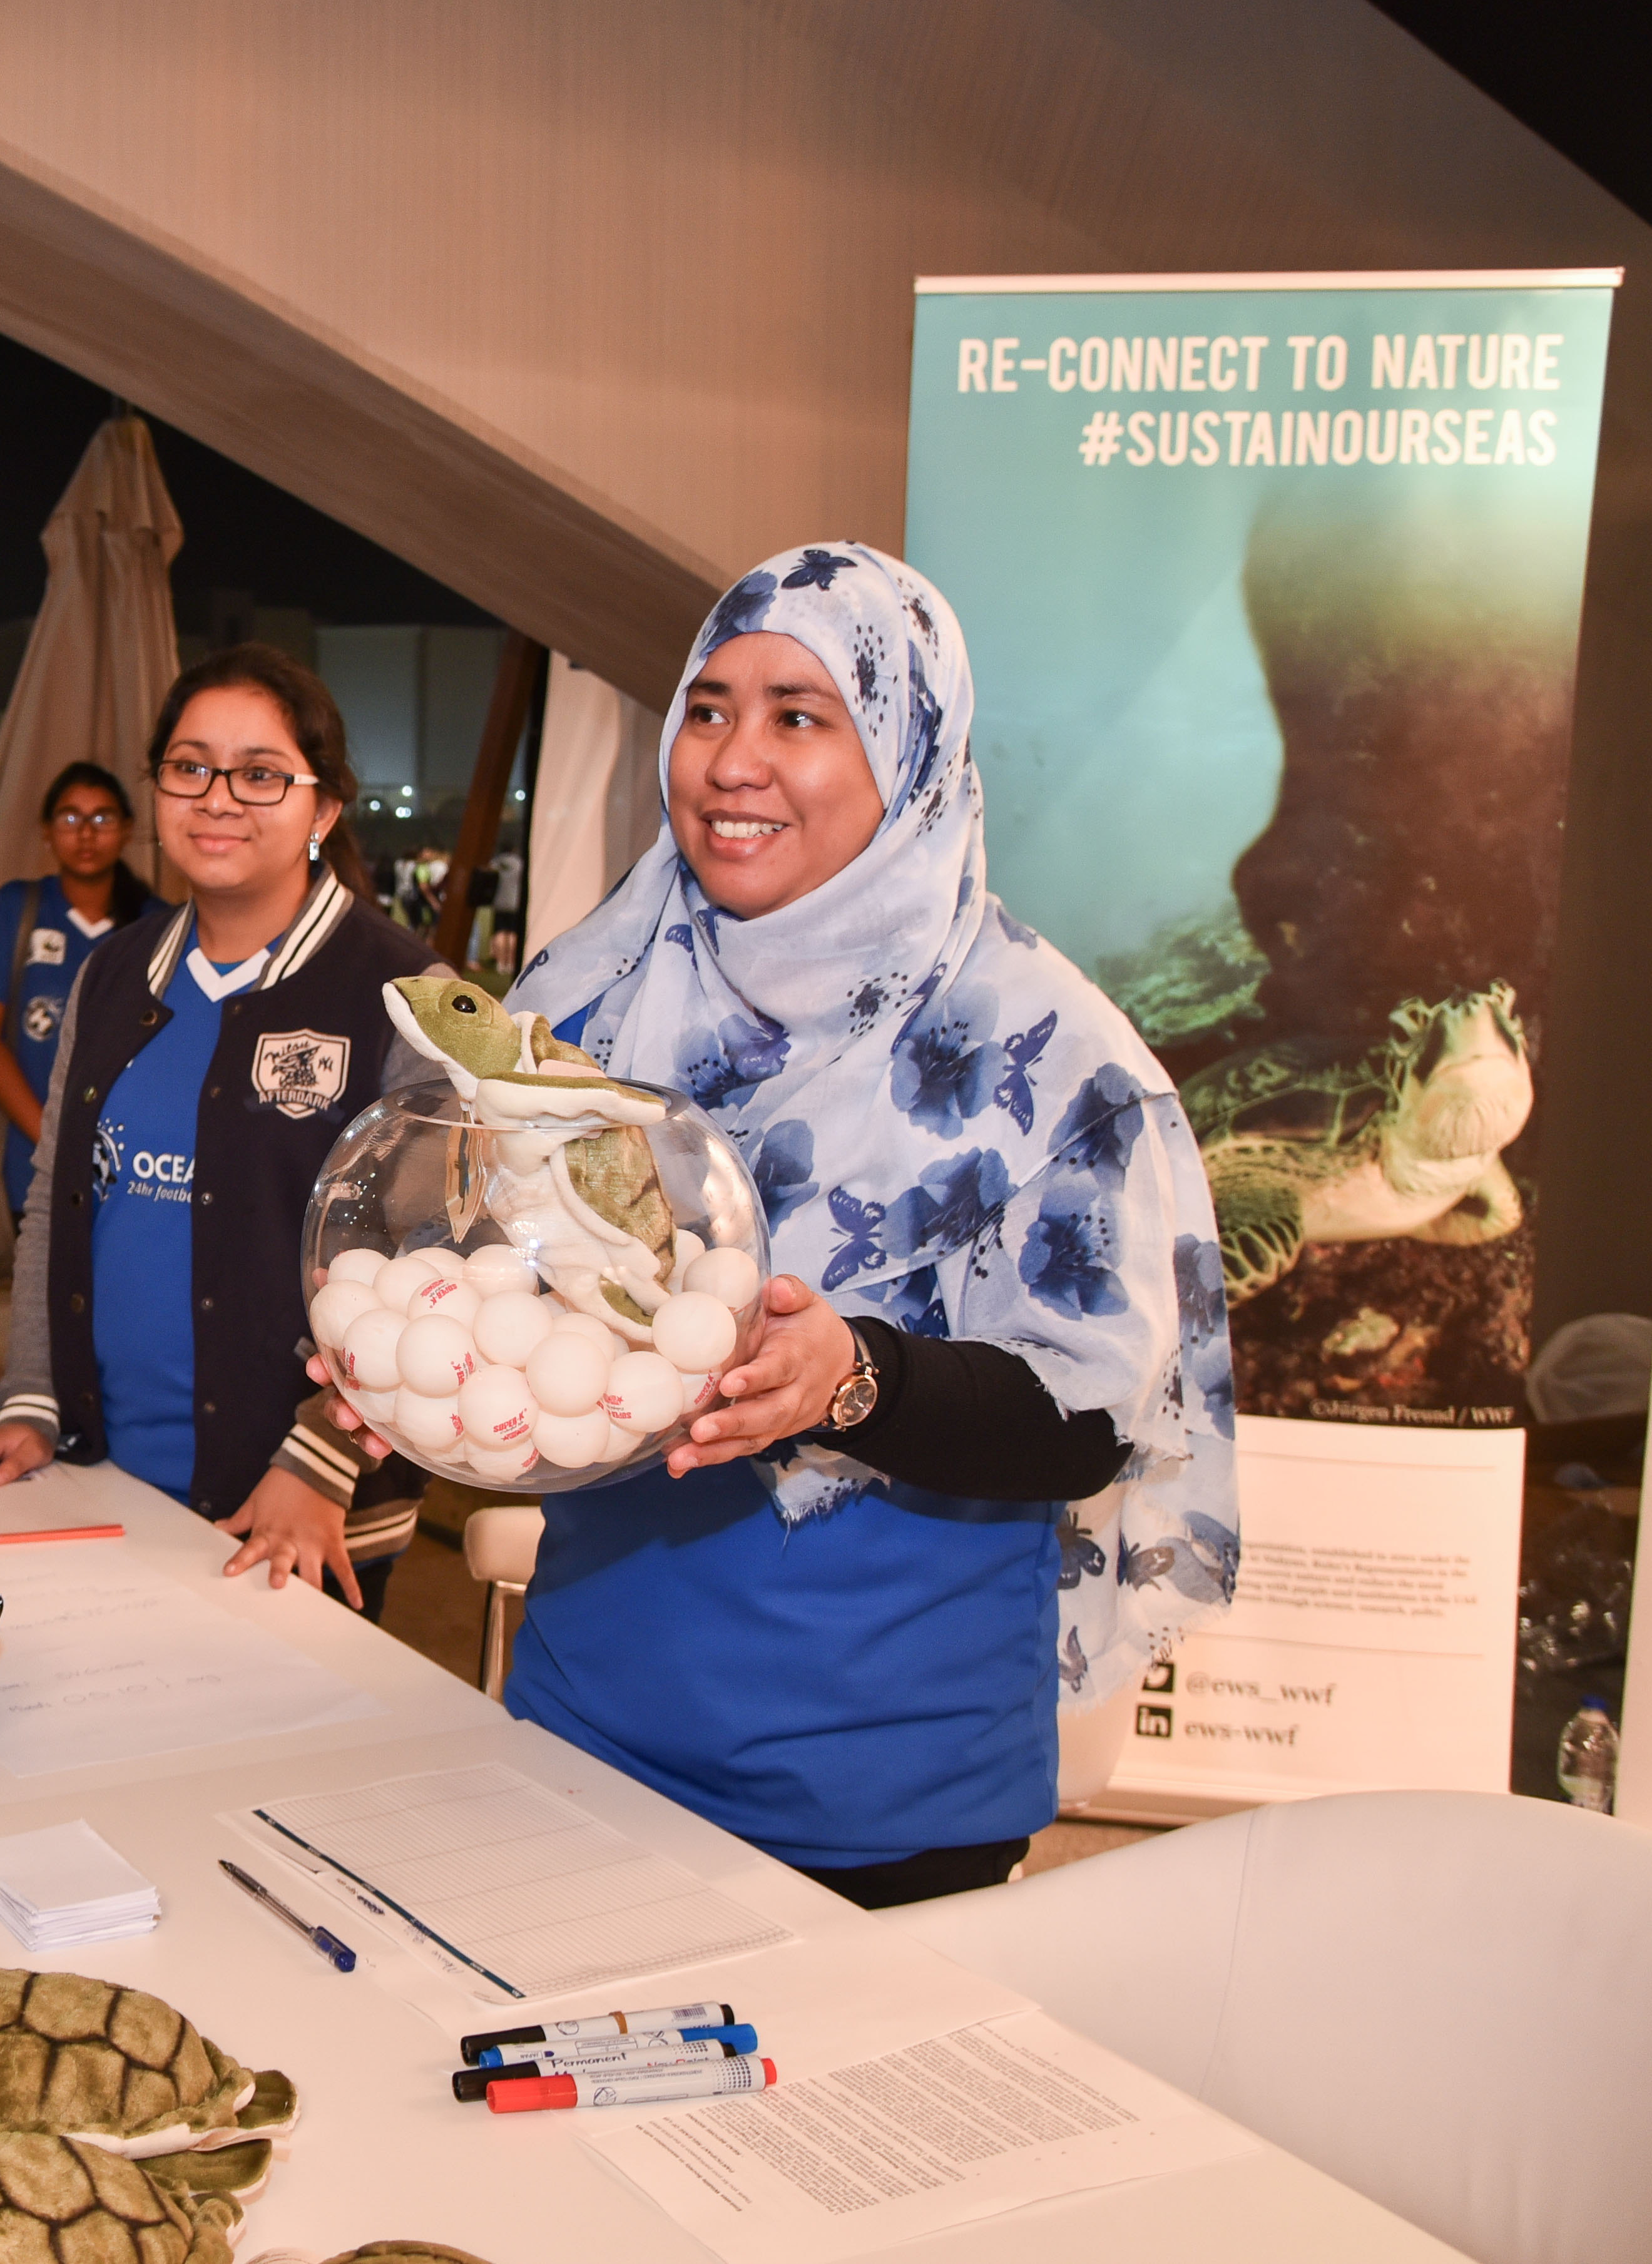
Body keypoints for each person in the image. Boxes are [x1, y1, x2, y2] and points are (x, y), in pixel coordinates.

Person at [442, 542, 1238, 1906]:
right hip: (585, 1728)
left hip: (884, 1786)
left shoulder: (1052, 1058)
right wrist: (435, 1354)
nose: (730, 760)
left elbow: (1090, 1420)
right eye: (707, 709)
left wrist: (853, 1376)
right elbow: (510, 1279)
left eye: (799, 716)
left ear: (909, 748)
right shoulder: (585, 1002)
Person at [0, 648, 436, 1613]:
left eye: (261, 773)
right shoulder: (113, 976)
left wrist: (321, 1457)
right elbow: (56, 1207)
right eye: (189, 767)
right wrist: (33, 1400)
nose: (218, 798)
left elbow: (442, 1269)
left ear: (322, 811)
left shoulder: (403, 995)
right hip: (104, 1478)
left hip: (298, 1512)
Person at [0, 761, 150, 1225]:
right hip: (32, 1158)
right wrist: (54, 1139)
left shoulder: (155, 920)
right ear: (46, 831)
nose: (86, 833)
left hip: (133, 1167)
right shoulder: (16, 908)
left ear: (126, 830)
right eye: (70, 818)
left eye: (102, 818)